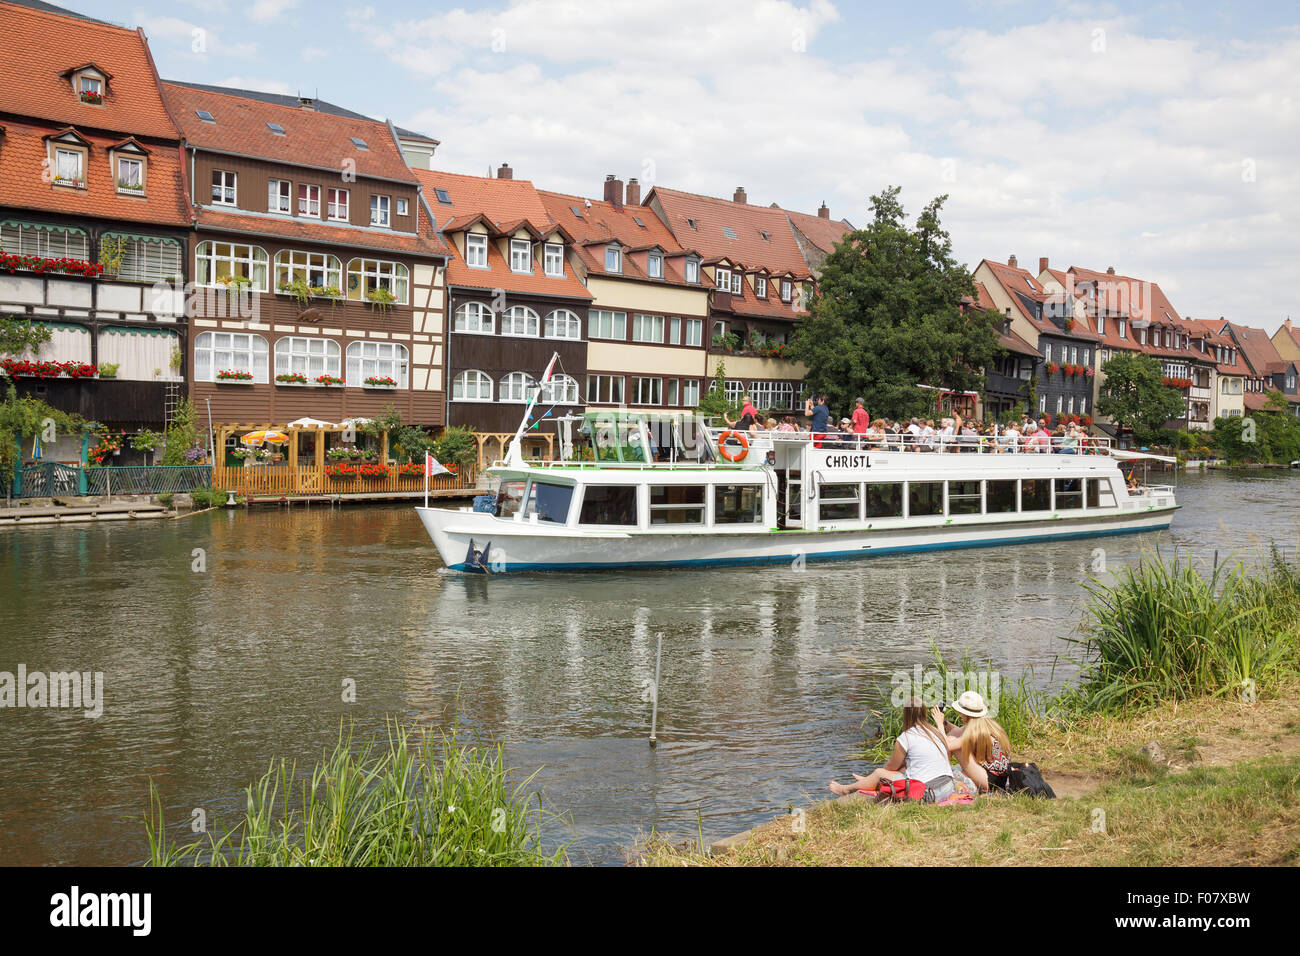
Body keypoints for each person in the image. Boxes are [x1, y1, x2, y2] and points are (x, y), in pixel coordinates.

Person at [829, 697, 956, 803]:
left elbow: (890, 768)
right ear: (924, 713)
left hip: (929, 792)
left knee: (879, 773)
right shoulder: (936, 732)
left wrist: (878, 775)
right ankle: (868, 781)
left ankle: (845, 789)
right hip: (948, 786)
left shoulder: (906, 737)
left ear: (905, 715)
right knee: (904, 769)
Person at [936, 691, 1011, 793]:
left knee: (952, 741)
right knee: (954, 736)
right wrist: (944, 723)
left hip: (991, 782)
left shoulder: (975, 731)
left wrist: (939, 724)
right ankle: (944, 773)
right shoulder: (983, 724)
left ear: (965, 714)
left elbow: (948, 745)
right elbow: (958, 732)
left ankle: (944, 777)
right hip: (1001, 778)